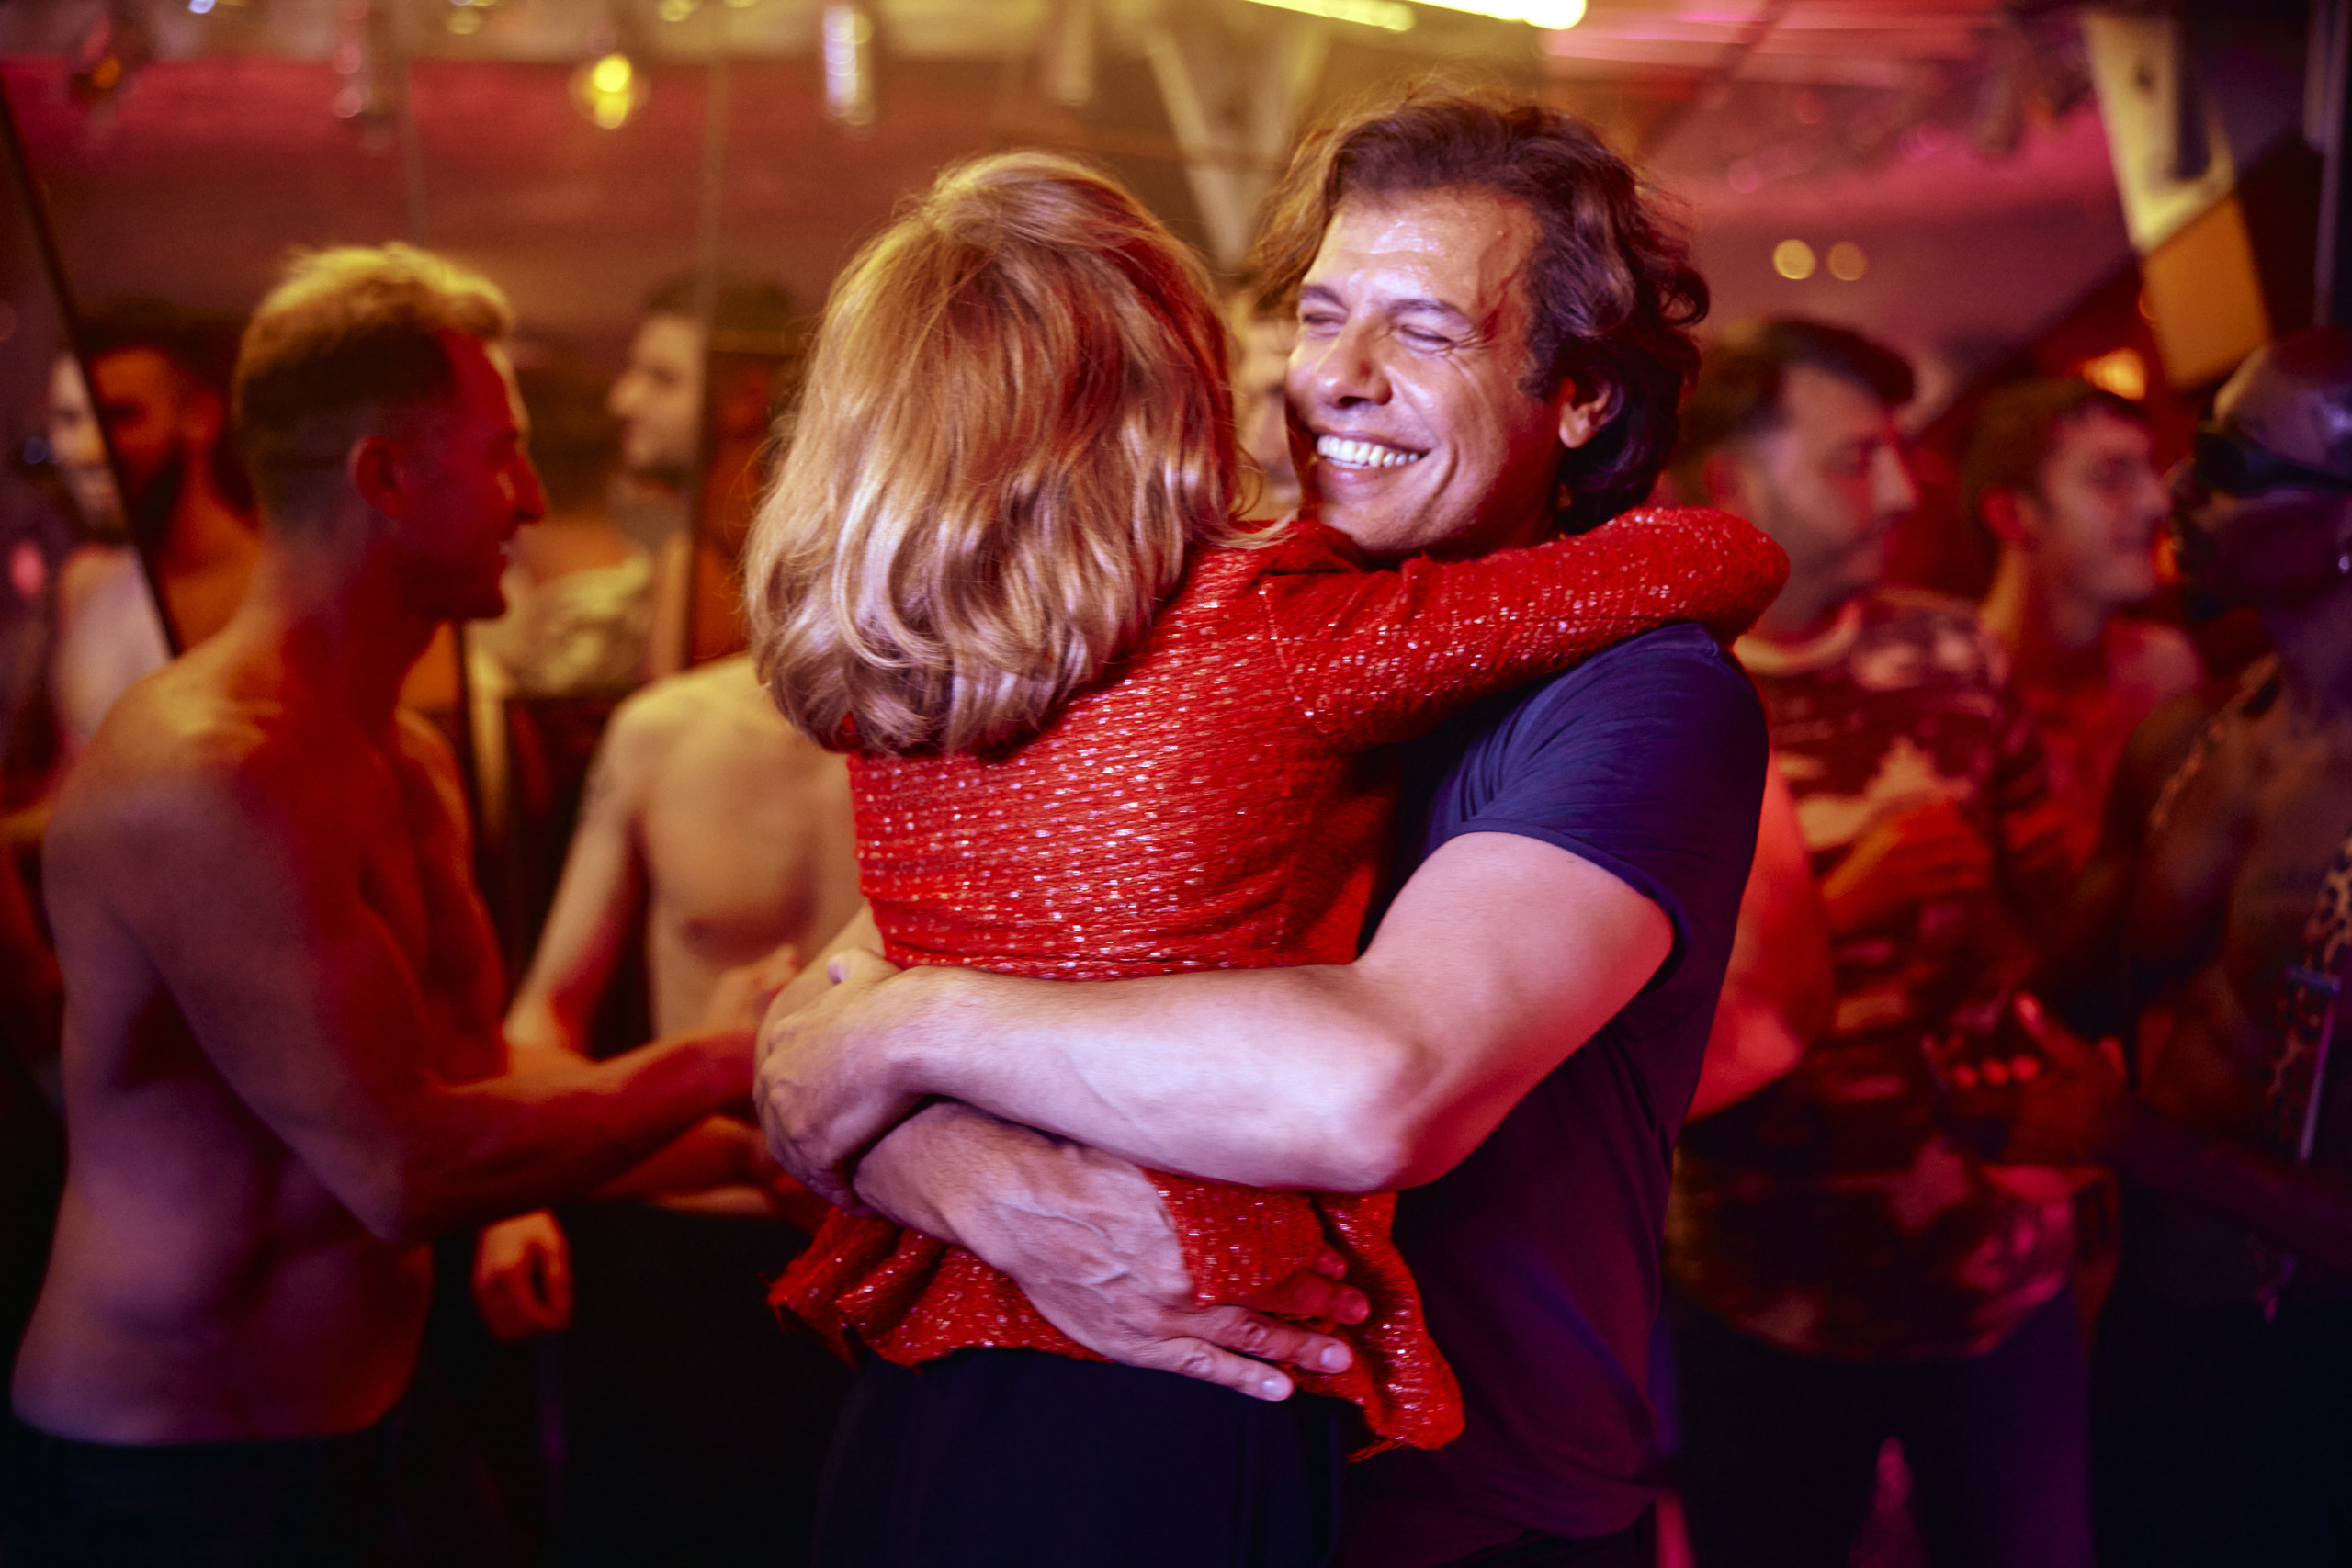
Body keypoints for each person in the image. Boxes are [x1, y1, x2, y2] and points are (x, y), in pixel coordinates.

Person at [752, 89, 1776, 1568]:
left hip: (1469, 1516)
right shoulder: (1180, 635)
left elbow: (1377, 1083)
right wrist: (1000, 1193)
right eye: (1320, 316)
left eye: (1426, 333)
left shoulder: (1641, 694)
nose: (1337, 381)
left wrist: (910, 1035)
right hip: (1172, 1445)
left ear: (1578, 396)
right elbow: (816, 1042)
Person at [2, 244, 761, 1567]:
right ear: (385, 478)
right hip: (177, 1483)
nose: (534, 499)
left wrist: (760, 1153)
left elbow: (483, 1091)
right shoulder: (210, 771)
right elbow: (404, 1169)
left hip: (387, 1431)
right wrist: (727, 1057)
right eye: (503, 455)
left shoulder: (401, 761)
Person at [1662, 318, 2091, 1568]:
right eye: (1857, 459)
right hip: (1763, 1288)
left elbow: (2060, 921)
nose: (1902, 491)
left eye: (1899, 454)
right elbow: (1621, 1016)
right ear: (1737, 482)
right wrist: (1838, 900)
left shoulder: (1953, 653)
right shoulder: (1662, 701)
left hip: (1994, 1279)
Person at [1994, 328, 2352, 1567]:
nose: (2175, 491)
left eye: (2232, 465)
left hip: (2318, 1359)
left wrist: (2128, 1136)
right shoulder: (2183, 742)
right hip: (2153, 1318)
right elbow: (2058, 1003)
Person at [473, 649, 859, 1567]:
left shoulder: (979, 734)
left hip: (887, 1250)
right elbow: (547, 1012)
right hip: (688, 1241)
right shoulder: (665, 730)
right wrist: (515, 1196)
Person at [1967, 378, 2202, 875]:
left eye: (2148, 470)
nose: (2157, 503)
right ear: (2011, 516)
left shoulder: (2166, 667)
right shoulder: (1955, 703)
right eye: (2110, 476)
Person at [608, 275, 797, 676]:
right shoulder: (709, 552)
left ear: (748, 396)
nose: (623, 400)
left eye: (663, 378)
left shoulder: (700, 564)